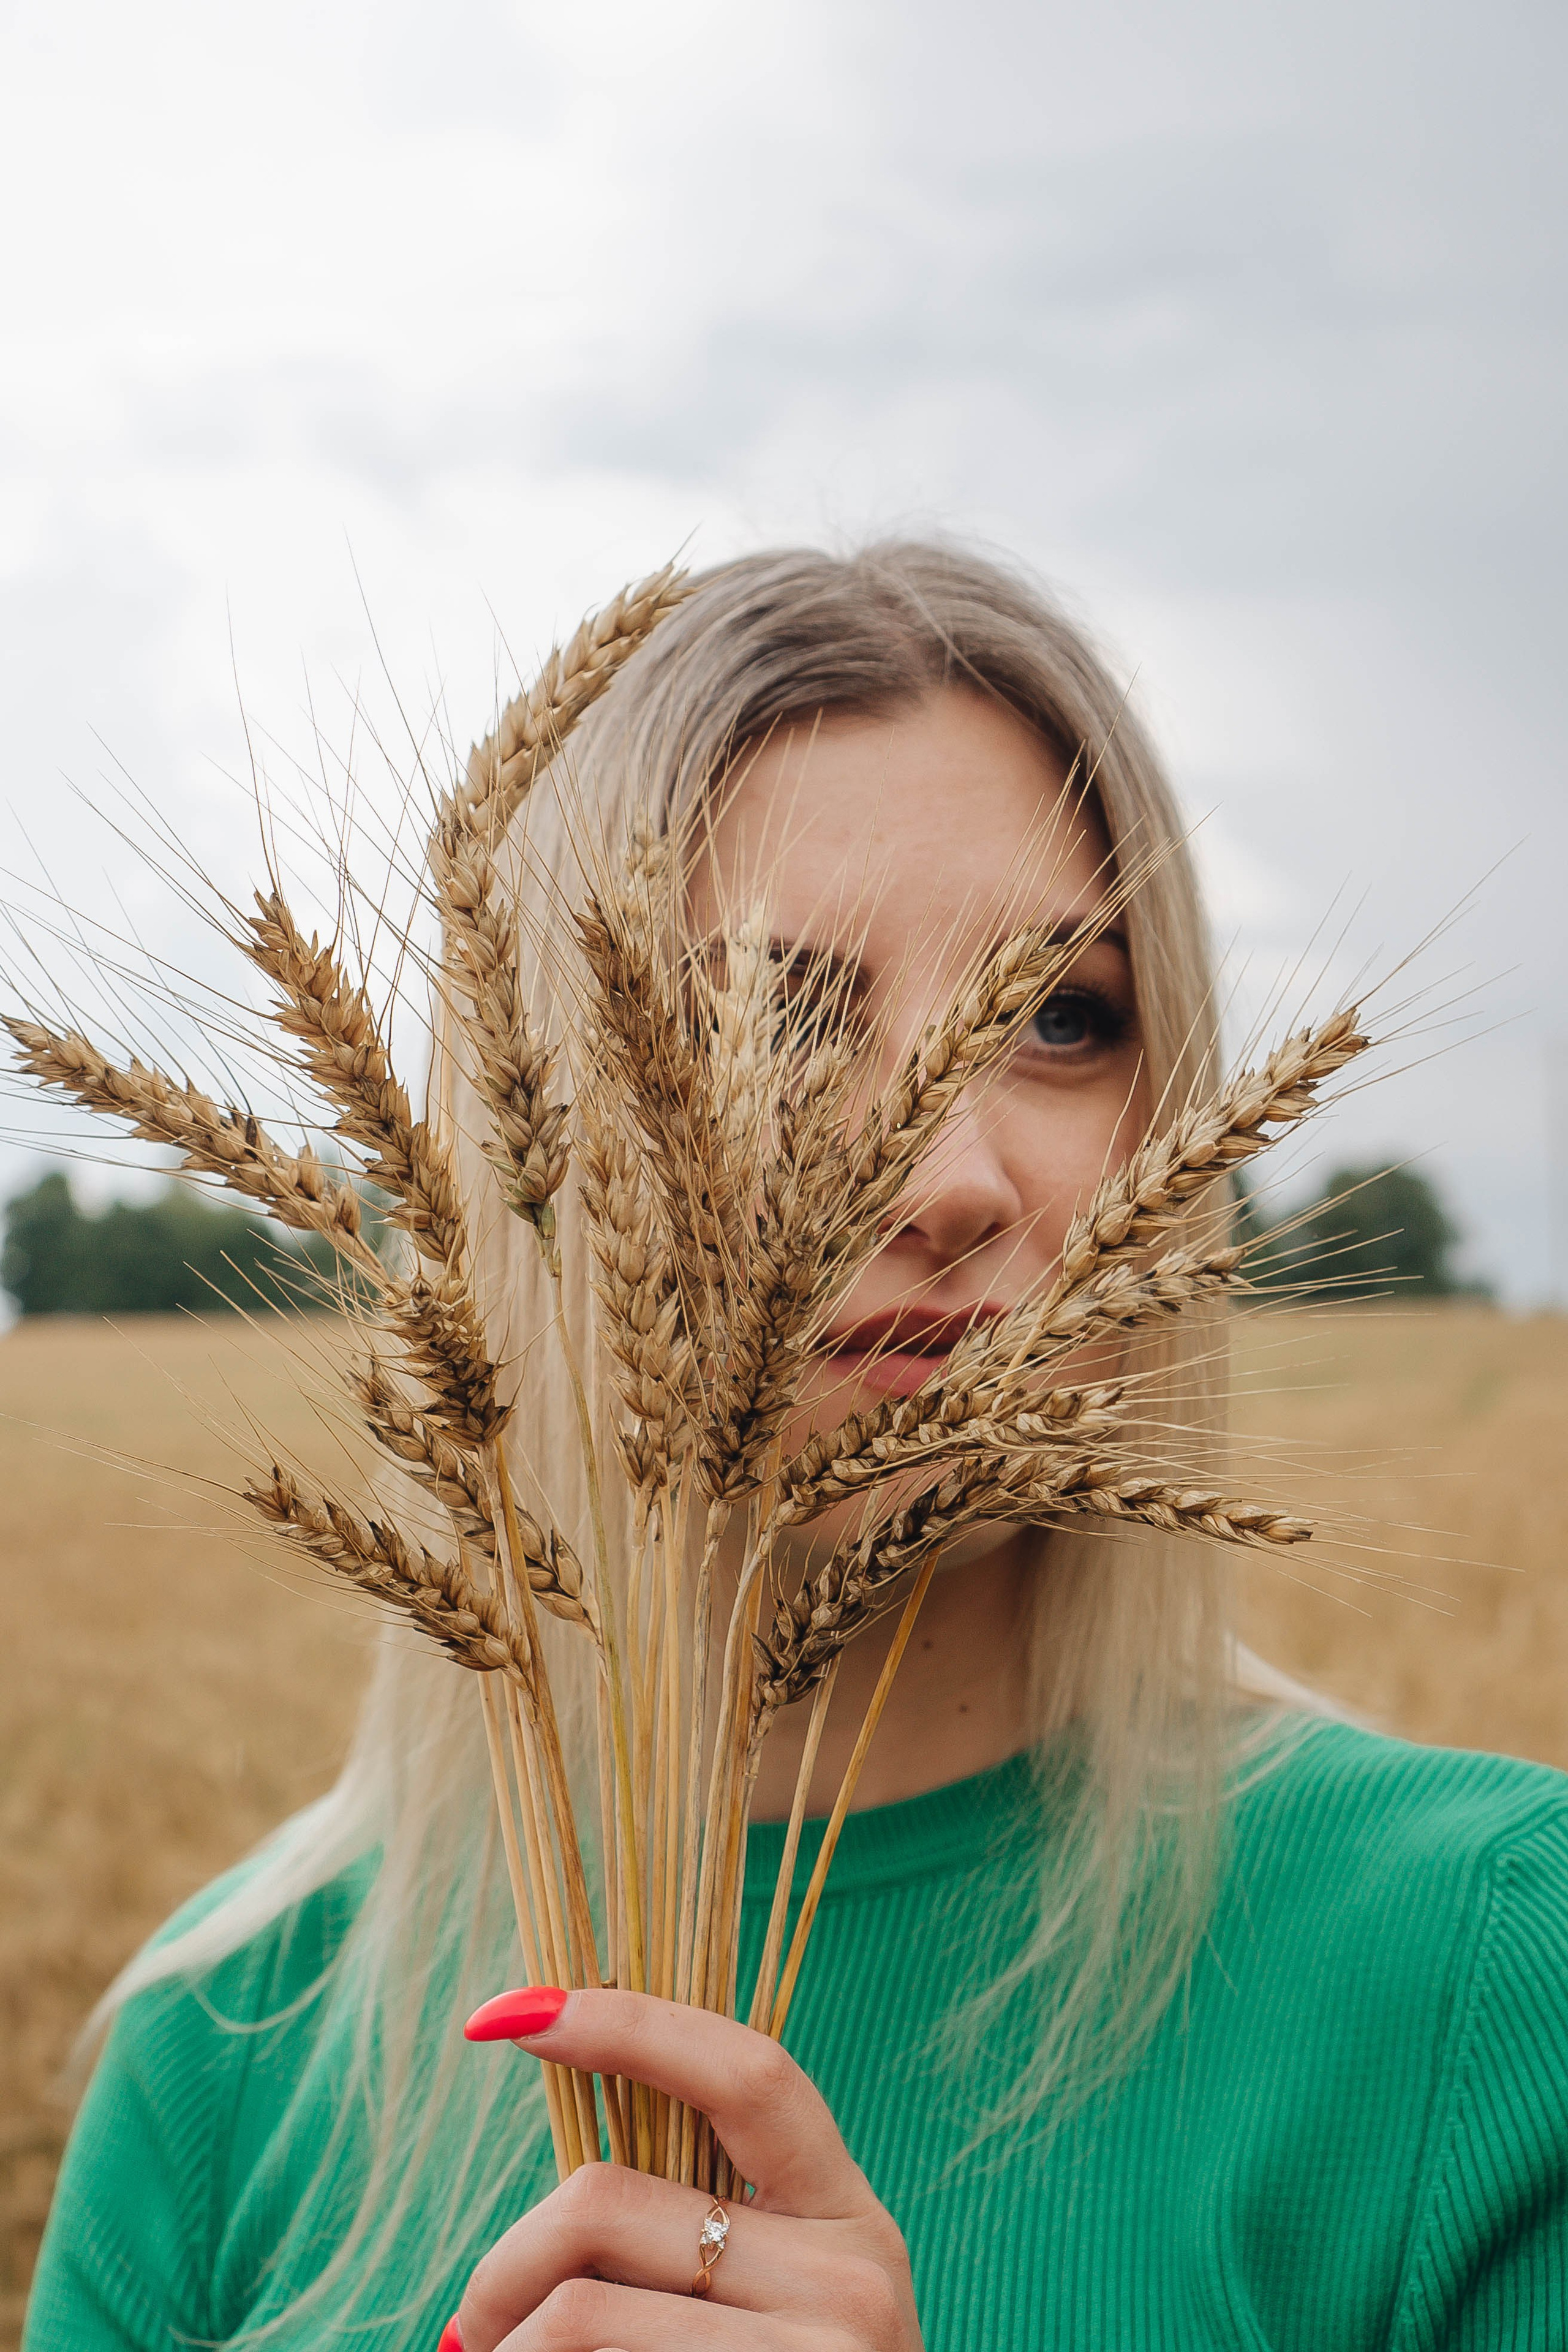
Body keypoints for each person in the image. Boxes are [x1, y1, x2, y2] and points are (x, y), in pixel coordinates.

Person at [24, 545, 1568, 2351]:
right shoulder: (229, 2047)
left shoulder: (1494, 1970)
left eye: (1065, 1017)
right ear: (544, 1140)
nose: (951, 1178)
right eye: (775, 1020)